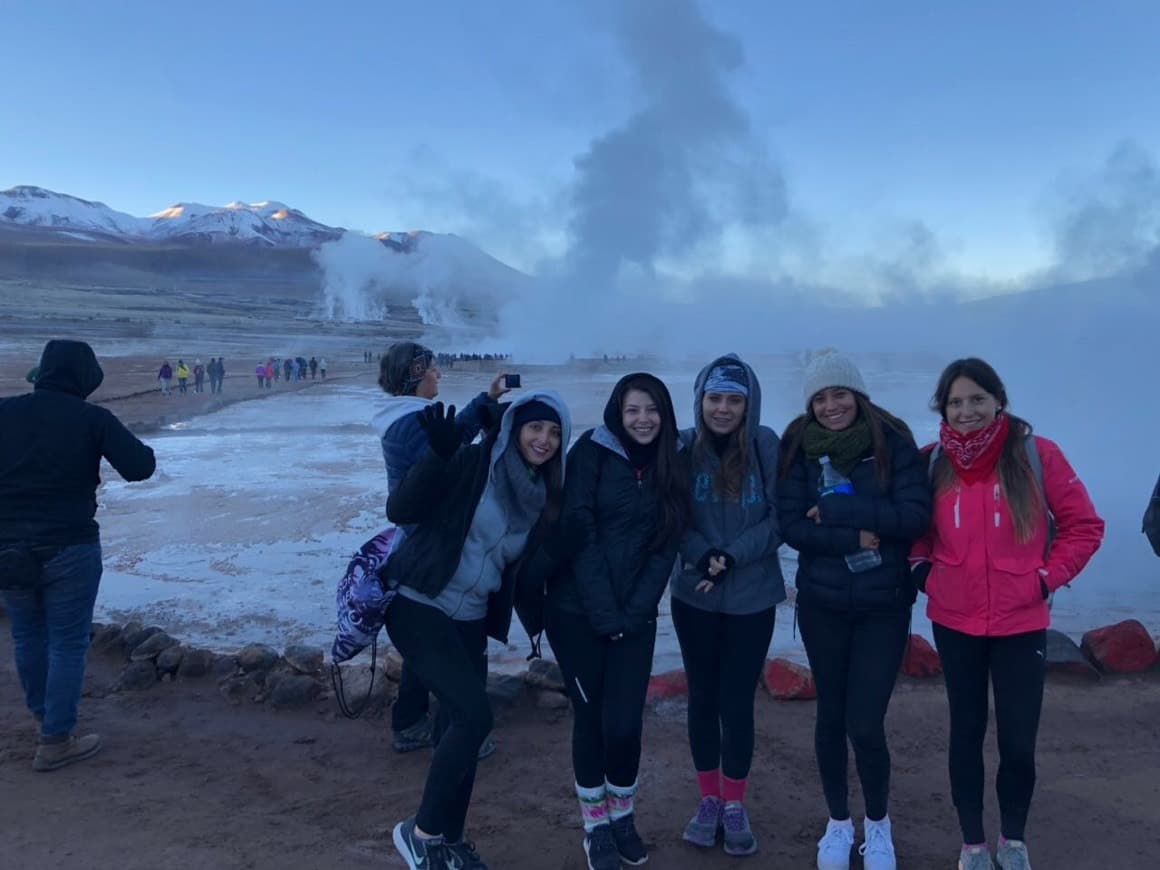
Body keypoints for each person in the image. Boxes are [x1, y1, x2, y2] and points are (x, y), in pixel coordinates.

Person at [910, 358, 1104, 870]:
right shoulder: (932, 462)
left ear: (999, 400)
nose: (967, 410)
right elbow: (914, 529)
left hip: (1022, 621)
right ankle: (973, 842)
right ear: (943, 409)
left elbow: (1085, 526)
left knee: (1018, 739)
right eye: (956, 402)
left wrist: (1045, 578)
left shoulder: (1037, 455)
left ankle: (1012, 840)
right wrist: (922, 572)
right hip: (954, 620)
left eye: (977, 399)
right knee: (965, 732)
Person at [384, 392, 571, 870]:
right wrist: (438, 456)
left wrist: (552, 628)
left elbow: (526, 574)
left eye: (554, 432)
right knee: (475, 718)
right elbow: (401, 509)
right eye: (535, 428)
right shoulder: (474, 462)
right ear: (514, 430)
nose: (544, 440)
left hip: (469, 618)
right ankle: (419, 833)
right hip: (419, 603)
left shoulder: (541, 498)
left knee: (455, 726)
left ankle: (449, 838)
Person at [777, 351, 932, 870]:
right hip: (821, 604)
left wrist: (841, 511)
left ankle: (879, 826)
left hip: (882, 607)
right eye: (820, 397)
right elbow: (791, 526)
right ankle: (839, 822)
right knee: (830, 718)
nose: (830, 405)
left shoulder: (893, 442)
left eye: (839, 393)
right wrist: (854, 535)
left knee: (865, 724)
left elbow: (913, 516)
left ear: (858, 395)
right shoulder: (796, 445)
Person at [547, 372, 690, 870]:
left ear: (664, 413)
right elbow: (578, 531)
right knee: (592, 721)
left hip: (636, 616)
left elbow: (668, 540)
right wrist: (605, 613)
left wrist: (636, 611)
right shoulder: (589, 453)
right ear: (617, 412)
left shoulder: (674, 461)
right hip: (576, 613)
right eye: (633, 410)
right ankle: (595, 828)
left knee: (626, 724)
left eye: (651, 410)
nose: (643, 419)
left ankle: (622, 817)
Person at [0, 340, 156, 771]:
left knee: (27, 635)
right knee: (68, 641)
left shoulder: (4, 412)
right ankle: (56, 740)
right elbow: (141, 466)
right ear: (84, 378)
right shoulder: (91, 418)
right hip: (70, 545)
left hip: (7, 547)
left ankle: (44, 717)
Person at [373, 342, 510, 757]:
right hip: (433, 543)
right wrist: (491, 444)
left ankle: (411, 722)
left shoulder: (407, 417)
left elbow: (448, 438)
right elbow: (447, 466)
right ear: (416, 372)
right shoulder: (409, 423)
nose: (439, 374)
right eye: (433, 368)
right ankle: (463, 729)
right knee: (455, 640)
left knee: (427, 642)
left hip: (423, 537)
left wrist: (485, 401)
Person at [672, 355, 783, 857]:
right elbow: (668, 512)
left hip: (752, 596)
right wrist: (702, 554)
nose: (722, 408)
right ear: (700, 400)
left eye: (733, 400)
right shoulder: (680, 447)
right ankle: (708, 799)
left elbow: (784, 517)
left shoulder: (765, 445)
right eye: (714, 398)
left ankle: (735, 802)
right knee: (703, 698)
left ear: (748, 404)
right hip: (692, 595)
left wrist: (732, 554)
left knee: (737, 702)